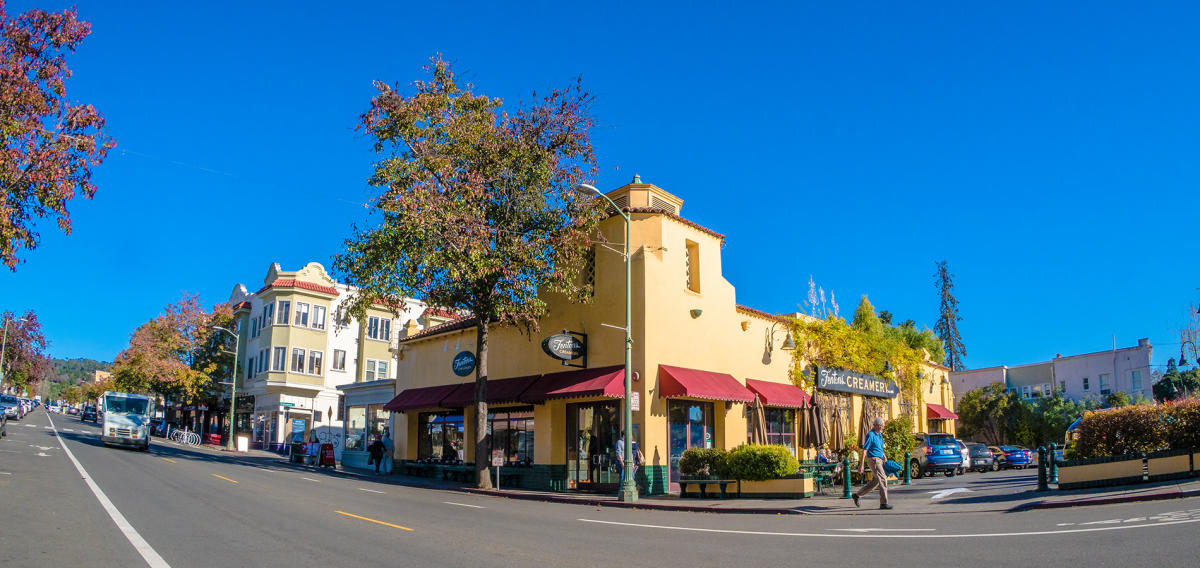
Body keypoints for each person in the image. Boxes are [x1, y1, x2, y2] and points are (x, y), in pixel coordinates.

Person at [853, 417, 892, 510]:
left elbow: (880, 448)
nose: (883, 427)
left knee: (876, 481)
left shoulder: (879, 435)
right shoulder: (870, 435)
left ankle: (857, 495)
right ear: (878, 426)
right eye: (882, 426)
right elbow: (865, 450)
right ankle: (883, 503)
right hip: (873, 460)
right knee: (883, 479)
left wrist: (885, 457)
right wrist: (861, 464)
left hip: (880, 459)